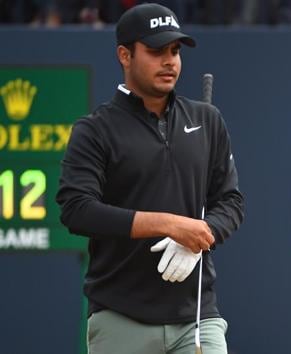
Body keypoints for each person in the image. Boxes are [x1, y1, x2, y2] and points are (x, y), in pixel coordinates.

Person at [55, 3, 245, 354]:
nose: (170, 61)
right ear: (125, 55)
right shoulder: (95, 130)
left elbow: (230, 201)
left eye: (175, 51)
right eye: (156, 51)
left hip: (197, 318)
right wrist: (169, 225)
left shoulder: (207, 120)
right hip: (120, 319)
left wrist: (202, 235)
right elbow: (77, 209)